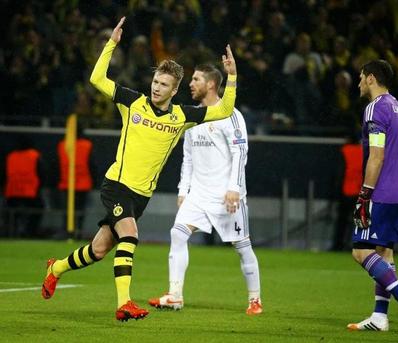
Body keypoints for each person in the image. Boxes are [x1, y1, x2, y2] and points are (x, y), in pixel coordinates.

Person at [41, 16, 238, 322]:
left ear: (174, 91)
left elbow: (224, 110)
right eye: (156, 82)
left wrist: (232, 77)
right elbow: (97, 79)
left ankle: (55, 269)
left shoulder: (182, 116)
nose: (157, 88)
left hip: (141, 196)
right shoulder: (132, 102)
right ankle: (124, 304)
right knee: (130, 236)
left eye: (164, 85)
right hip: (116, 185)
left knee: (99, 249)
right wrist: (111, 44)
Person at [148, 64, 262, 315]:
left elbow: (240, 151)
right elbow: (187, 156)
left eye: (196, 79)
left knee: (242, 247)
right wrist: (182, 190)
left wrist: (234, 188)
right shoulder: (193, 115)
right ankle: (175, 295)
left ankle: (255, 300)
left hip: (226, 196)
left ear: (211, 84)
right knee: (177, 234)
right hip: (197, 195)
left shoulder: (230, 114)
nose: (191, 83)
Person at [347, 60, 398, 334]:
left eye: (360, 77)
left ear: (370, 78)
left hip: (382, 190)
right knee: (383, 251)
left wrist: (365, 194)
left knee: (361, 250)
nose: (358, 83)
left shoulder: (375, 108)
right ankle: (380, 316)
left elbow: (376, 156)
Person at [57, 126, 94, 239]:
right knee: (80, 211)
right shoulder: (87, 145)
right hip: (83, 183)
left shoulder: (62, 145)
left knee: (67, 211)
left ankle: (67, 232)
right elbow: (92, 164)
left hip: (66, 183)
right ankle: (78, 232)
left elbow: (56, 165)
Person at [3, 137, 44, 238]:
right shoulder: (34, 155)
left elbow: (4, 174)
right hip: (30, 192)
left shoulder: (11, 156)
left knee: (12, 215)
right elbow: (42, 173)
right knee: (36, 212)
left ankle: (10, 233)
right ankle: (30, 233)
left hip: (12, 192)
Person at [332, 133, 362, 251]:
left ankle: (339, 245)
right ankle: (357, 245)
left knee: (342, 221)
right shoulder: (363, 151)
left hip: (346, 190)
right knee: (359, 221)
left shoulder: (345, 151)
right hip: (360, 190)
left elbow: (340, 172)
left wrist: (336, 191)